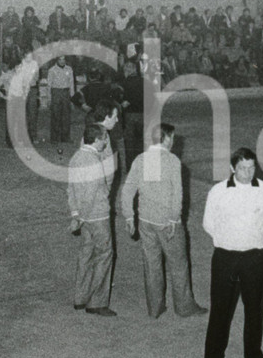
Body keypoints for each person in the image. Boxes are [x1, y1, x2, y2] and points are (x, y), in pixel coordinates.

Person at [201, 148, 263, 358]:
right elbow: (208, 223)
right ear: (233, 168)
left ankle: (254, 355)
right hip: (226, 257)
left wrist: (249, 239)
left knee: (254, 309)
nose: (247, 172)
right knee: (220, 309)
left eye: (252, 167)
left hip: (254, 258)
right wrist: (229, 240)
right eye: (242, 168)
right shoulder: (218, 191)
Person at [119, 123, 206, 319]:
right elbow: (178, 195)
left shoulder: (140, 160)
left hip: (145, 220)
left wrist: (129, 216)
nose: (173, 142)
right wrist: (174, 220)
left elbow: (127, 190)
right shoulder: (172, 161)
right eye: (172, 138)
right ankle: (184, 307)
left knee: (152, 264)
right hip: (166, 221)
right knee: (178, 264)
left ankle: (155, 307)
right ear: (166, 139)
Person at [66, 123, 117, 317]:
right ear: (96, 139)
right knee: (104, 254)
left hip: (84, 215)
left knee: (86, 254)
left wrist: (76, 214)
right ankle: (97, 302)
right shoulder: (94, 162)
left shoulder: (76, 157)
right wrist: (82, 217)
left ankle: (80, 297)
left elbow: (71, 189)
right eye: (104, 138)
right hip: (97, 216)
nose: (106, 141)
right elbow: (91, 192)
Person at [47, 55, 75, 143]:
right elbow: (49, 85)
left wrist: (72, 97)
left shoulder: (69, 69)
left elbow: (71, 84)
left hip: (66, 92)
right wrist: (49, 98)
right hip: (56, 92)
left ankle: (65, 137)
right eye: (60, 59)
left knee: (66, 116)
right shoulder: (52, 70)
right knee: (56, 115)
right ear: (57, 60)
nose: (62, 61)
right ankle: (54, 138)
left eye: (64, 59)